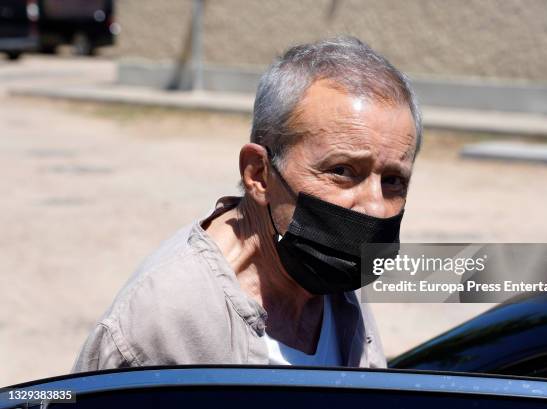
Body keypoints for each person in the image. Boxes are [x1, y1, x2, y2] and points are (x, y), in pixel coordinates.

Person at [73, 36, 422, 371]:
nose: (375, 207)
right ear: (258, 174)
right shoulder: (166, 318)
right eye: (342, 171)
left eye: (393, 180)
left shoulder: (336, 275)